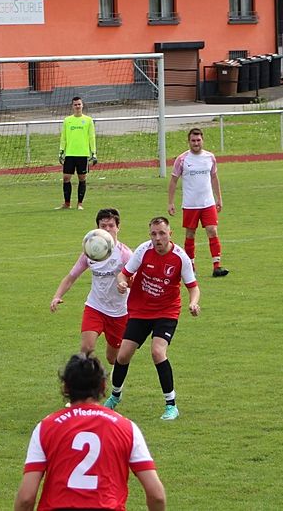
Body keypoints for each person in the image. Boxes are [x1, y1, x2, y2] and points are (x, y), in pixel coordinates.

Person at [15, 353, 166, 511]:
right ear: (103, 386)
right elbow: (157, 495)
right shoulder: (127, 428)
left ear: (65, 387)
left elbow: (26, 498)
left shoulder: (46, 427)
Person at [105, 216, 200, 420]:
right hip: (140, 310)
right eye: (154, 234)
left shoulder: (180, 257)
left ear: (170, 234)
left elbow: (193, 287)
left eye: (162, 233)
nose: (157, 238)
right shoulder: (143, 250)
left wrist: (193, 303)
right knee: (123, 356)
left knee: (157, 352)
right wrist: (121, 283)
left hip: (166, 311)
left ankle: (171, 405)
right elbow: (123, 274)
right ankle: (115, 396)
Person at [50, 208, 132, 365]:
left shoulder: (125, 254)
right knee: (86, 349)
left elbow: (137, 282)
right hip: (95, 307)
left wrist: (125, 284)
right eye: (103, 226)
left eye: (111, 226)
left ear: (118, 228)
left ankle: (110, 379)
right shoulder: (90, 252)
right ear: (97, 228)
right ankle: (89, 379)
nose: (107, 229)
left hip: (119, 312)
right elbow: (71, 277)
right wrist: (57, 296)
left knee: (113, 359)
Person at [167, 128, 229, 278]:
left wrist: (219, 198)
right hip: (190, 204)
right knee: (190, 233)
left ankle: (217, 266)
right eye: (193, 141)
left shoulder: (210, 157)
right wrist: (170, 202)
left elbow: (214, 177)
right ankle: (191, 267)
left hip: (208, 203)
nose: (196, 143)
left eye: (198, 140)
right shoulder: (182, 159)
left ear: (203, 140)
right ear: (188, 142)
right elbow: (174, 180)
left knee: (212, 230)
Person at [57, 96, 97, 210]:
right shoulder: (67, 120)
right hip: (70, 154)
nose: (77, 106)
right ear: (72, 106)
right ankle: (67, 203)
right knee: (66, 178)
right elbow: (63, 137)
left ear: (82, 105)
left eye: (79, 104)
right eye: (75, 104)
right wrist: (61, 151)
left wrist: (93, 153)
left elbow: (92, 137)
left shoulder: (88, 120)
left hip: (83, 154)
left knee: (82, 178)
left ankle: (80, 204)